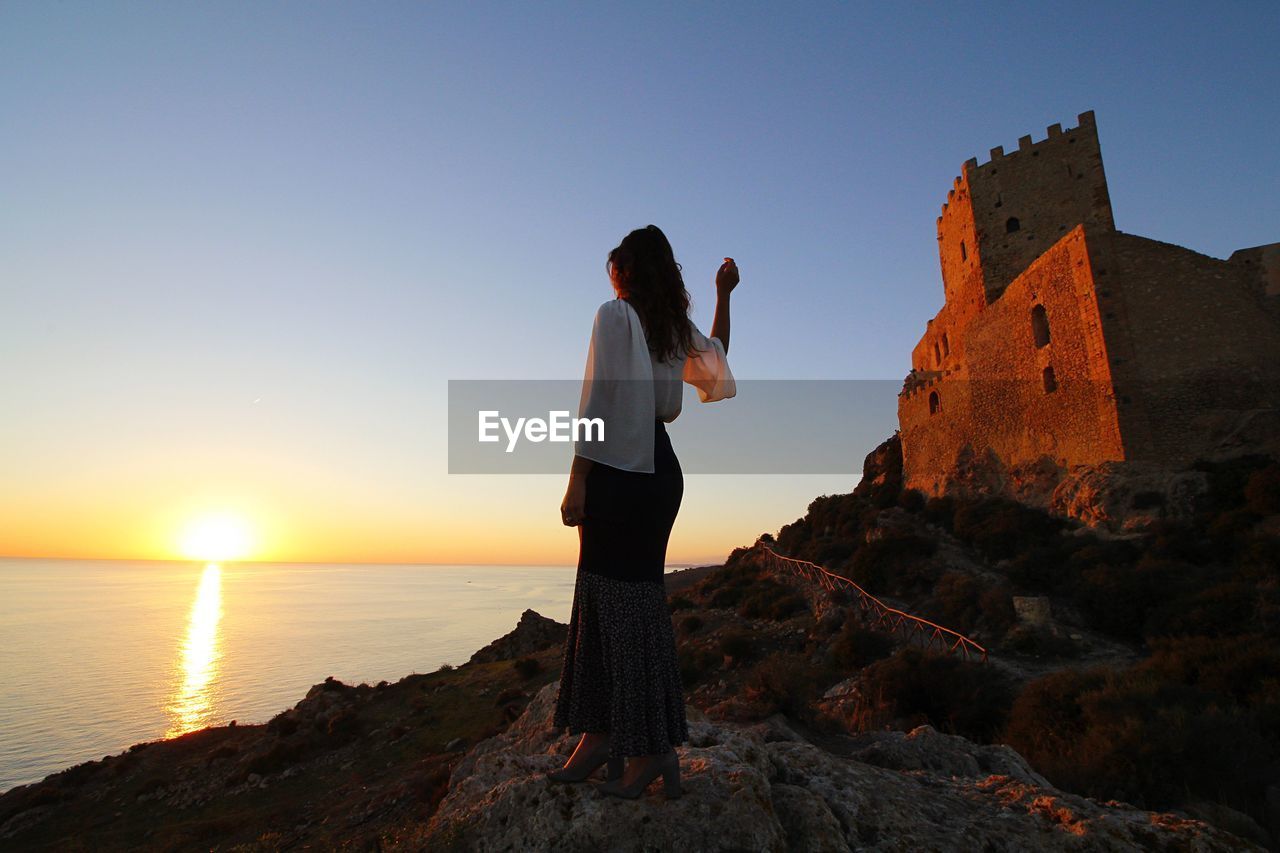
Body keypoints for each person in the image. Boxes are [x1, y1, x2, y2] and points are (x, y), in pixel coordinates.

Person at [547, 224, 738, 800]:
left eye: (615, 269)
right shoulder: (670, 327)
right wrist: (724, 294)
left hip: (617, 471)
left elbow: (597, 400)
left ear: (624, 271)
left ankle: (648, 751)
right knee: (627, 603)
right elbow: (719, 363)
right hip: (660, 471)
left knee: (614, 604)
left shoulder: (615, 315)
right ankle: (603, 737)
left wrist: (576, 479)